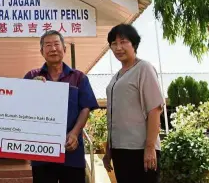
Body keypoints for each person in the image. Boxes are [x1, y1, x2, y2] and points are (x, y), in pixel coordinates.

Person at [23, 30, 99, 183]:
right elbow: (20, 105)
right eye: (48, 45)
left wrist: (74, 133)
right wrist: (31, 89)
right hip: (42, 152)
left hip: (72, 151)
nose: (53, 49)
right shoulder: (31, 77)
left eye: (57, 44)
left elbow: (85, 108)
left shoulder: (79, 77)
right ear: (42, 51)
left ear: (64, 49)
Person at [102, 24, 164, 183]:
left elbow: (154, 110)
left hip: (140, 150)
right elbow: (113, 116)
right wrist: (109, 150)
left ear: (134, 44)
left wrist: (150, 147)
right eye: (114, 44)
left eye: (123, 42)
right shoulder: (115, 77)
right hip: (120, 150)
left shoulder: (144, 68)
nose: (118, 48)